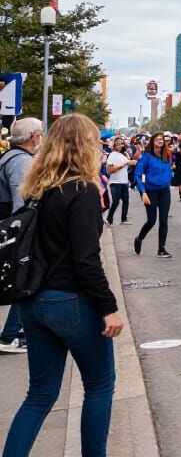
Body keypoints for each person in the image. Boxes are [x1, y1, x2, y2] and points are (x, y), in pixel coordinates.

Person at [2, 114, 124, 457]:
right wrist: (109, 307)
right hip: (71, 300)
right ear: (84, 146)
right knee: (100, 385)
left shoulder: (36, 190)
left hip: (33, 300)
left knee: (39, 394)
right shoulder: (82, 190)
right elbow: (86, 260)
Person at [0, 117, 43, 355]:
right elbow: (22, 202)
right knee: (25, 280)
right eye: (40, 134)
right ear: (33, 137)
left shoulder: (11, 157)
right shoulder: (20, 162)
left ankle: (15, 333)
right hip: (19, 231)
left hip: (14, 228)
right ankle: (10, 335)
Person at [133, 131, 175, 258]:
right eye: (157, 139)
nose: (160, 141)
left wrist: (169, 177)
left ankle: (161, 249)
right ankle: (139, 238)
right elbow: (137, 175)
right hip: (150, 192)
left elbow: (169, 168)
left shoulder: (167, 155)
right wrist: (143, 192)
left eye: (162, 139)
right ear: (152, 141)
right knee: (151, 220)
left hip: (164, 191)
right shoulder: (146, 157)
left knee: (164, 220)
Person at [102, 138, 135, 227]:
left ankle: (123, 219)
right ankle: (109, 219)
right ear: (114, 145)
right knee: (115, 201)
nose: (121, 146)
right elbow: (109, 170)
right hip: (115, 182)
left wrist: (131, 162)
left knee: (126, 201)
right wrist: (124, 164)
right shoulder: (112, 155)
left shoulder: (122, 155)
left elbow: (129, 164)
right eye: (118, 144)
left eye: (122, 144)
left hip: (124, 182)